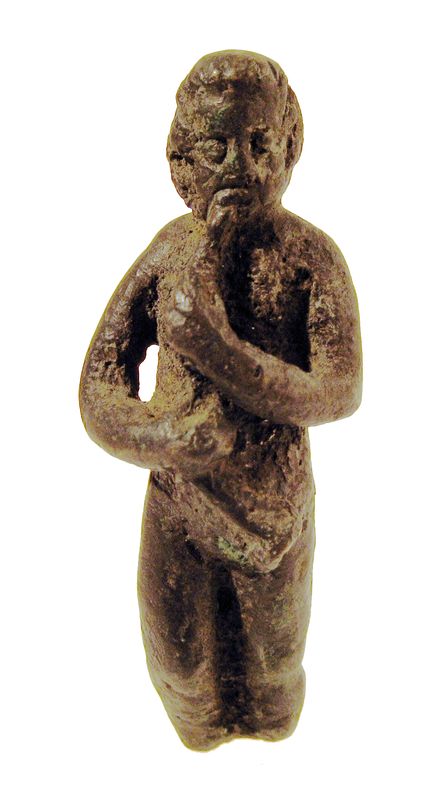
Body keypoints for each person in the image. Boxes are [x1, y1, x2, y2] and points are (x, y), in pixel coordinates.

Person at [79, 50, 362, 750]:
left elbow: (339, 389)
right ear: (181, 162)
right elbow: (99, 386)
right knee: (181, 668)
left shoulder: (309, 258)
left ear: (290, 150)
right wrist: (162, 439)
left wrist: (216, 351)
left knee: (272, 670)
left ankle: (269, 732)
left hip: (273, 512)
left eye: (260, 144)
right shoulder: (169, 253)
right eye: (216, 148)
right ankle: (200, 729)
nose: (239, 165)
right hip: (179, 499)